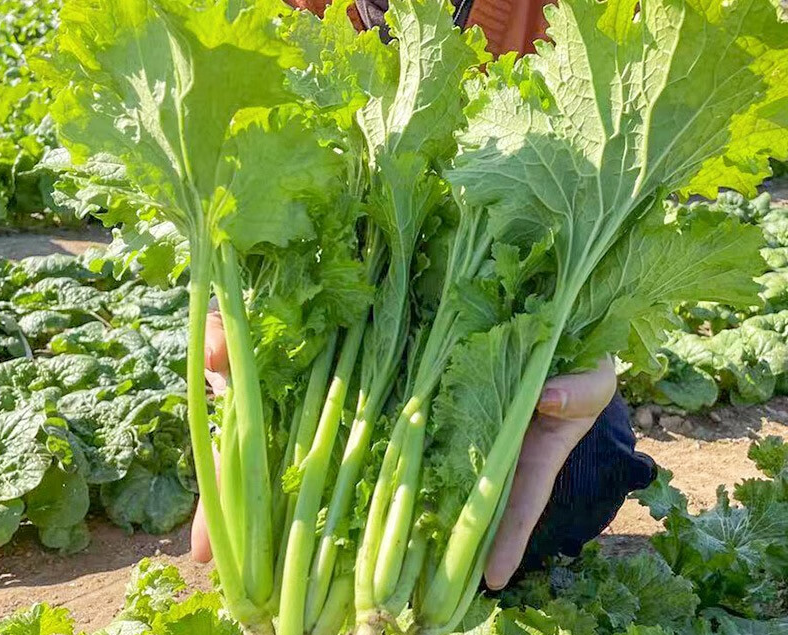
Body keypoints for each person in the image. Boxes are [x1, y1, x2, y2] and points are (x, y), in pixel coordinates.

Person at [191, 0, 657, 590]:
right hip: (327, 322)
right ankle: (316, 584)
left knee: (588, 466)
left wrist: (573, 330)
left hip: (466, 312)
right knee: (282, 431)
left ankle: (401, 604)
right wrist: (232, 319)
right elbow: (239, 161)